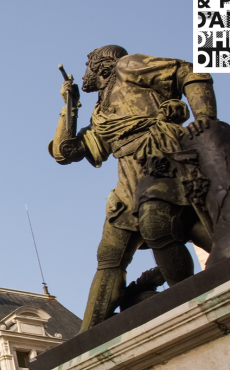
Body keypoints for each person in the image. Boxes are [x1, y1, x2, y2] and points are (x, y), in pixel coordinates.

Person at [49, 45, 217, 332]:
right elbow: (65, 152)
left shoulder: (127, 66)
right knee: (109, 257)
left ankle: (194, 303)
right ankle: (87, 337)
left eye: (89, 65)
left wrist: (204, 120)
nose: (86, 73)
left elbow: (189, 71)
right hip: (129, 182)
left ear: (103, 64)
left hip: (162, 158)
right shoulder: (100, 113)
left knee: (158, 224)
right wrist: (69, 107)